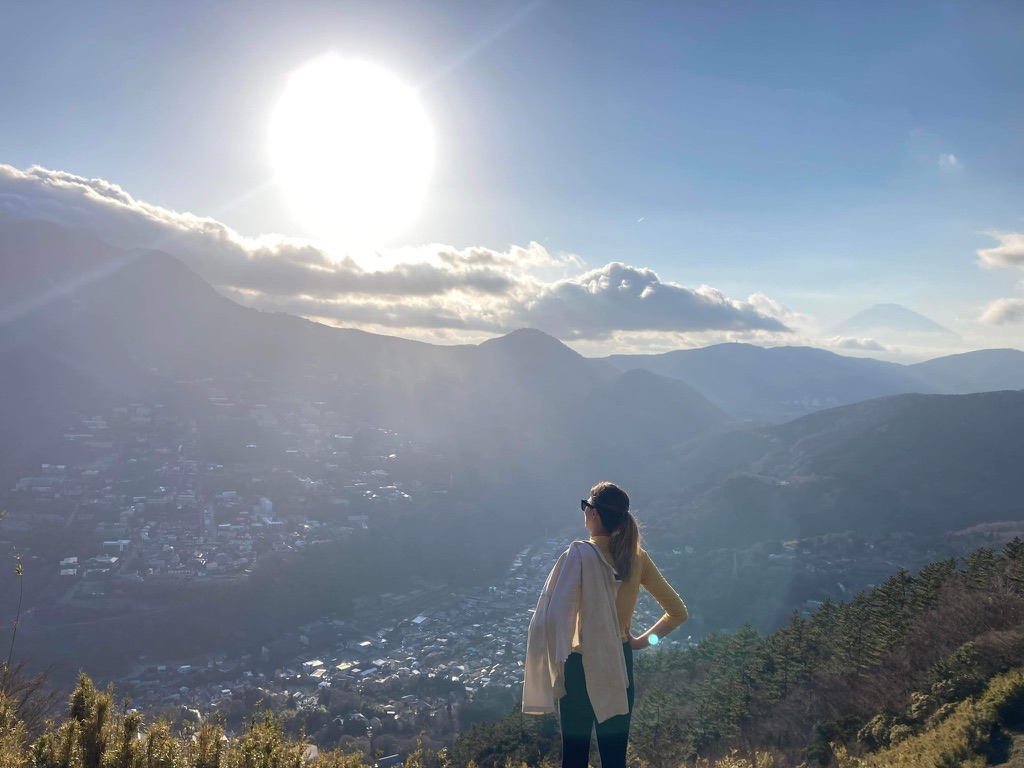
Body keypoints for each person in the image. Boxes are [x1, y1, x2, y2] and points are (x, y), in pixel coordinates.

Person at [523, 481, 688, 768]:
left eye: (585, 506)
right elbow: (677, 612)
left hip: (578, 665)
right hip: (618, 662)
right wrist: (640, 643)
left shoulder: (578, 557)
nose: (584, 511)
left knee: (574, 759)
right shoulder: (637, 558)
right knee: (614, 760)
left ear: (594, 513)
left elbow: (554, 616)